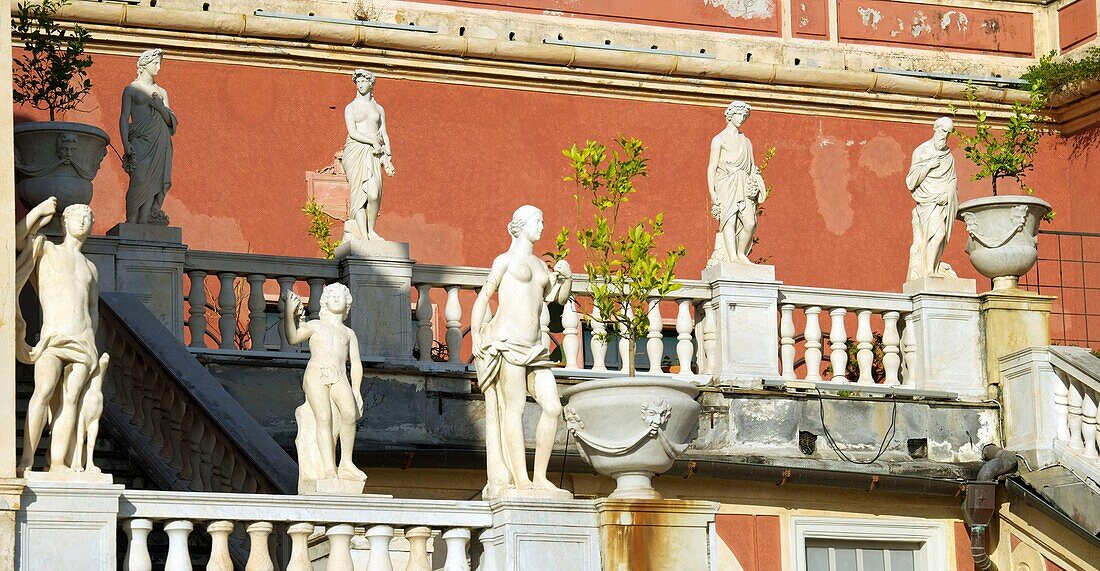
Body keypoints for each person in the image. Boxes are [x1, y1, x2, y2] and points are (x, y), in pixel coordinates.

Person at [471, 205, 572, 499]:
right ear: (522, 225)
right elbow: (484, 296)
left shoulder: (542, 266)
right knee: (512, 409)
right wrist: (477, 333)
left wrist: (567, 280)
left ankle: (540, 476)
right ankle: (522, 479)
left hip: (534, 348)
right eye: (538, 222)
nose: (542, 227)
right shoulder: (504, 261)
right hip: (507, 342)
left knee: (553, 407)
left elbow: (555, 302)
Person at [16, 197, 110, 475]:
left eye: (87, 216)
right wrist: (36, 213)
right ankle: (26, 460)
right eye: (76, 216)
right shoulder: (46, 250)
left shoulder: (91, 268)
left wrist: (93, 344)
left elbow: (92, 311)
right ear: (64, 221)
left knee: (70, 401)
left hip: (83, 342)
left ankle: (57, 461)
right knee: (42, 393)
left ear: (92, 224)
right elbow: (15, 240)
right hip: (53, 338)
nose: (82, 220)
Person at [283, 284, 366, 482]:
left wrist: (356, 391)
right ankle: (329, 468)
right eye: (332, 295)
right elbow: (293, 337)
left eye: (341, 296)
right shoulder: (315, 325)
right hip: (316, 375)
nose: (336, 298)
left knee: (349, 413)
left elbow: (355, 364)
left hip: (339, 375)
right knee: (324, 419)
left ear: (348, 303)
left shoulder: (349, 333)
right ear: (325, 301)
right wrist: (289, 312)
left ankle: (346, 462)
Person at [120, 48, 178, 225]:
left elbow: (172, 122)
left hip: (160, 141)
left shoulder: (162, 92)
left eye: (159, 63)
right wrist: (125, 144)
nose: (158, 67)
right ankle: (131, 222)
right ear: (144, 65)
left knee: (154, 182)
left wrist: (160, 107)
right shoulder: (131, 89)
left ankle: (144, 220)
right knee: (139, 179)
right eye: (155, 63)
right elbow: (124, 118)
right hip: (140, 141)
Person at [707, 100, 767, 265]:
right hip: (726, 182)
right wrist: (712, 192)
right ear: (730, 115)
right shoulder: (719, 139)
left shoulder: (746, 141)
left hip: (743, 182)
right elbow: (712, 166)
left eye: (744, 115)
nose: (741, 118)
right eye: (738, 114)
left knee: (750, 222)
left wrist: (755, 182)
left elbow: (752, 168)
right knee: (729, 219)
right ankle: (732, 257)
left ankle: (741, 254)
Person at [341, 69, 395, 242]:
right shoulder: (351, 107)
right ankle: (363, 236)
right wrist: (373, 142)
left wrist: (388, 156)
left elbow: (384, 133)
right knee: (358, 194)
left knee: (373, 194)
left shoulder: (379, 109)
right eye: (358, 82)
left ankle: (371, 230)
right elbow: (352, 132)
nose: (360, 84)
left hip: (374, 153)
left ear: (371, 84)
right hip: (356, 151)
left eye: (364, 81)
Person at [906, 117, 959, 281]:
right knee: (938, 234)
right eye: (943, 131)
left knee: (940, 235)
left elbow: (953, 180)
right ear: (935, 129)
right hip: (927, 202)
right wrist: (929, 165)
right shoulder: (921, 151)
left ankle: (932, 267)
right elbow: (911, 181)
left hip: (942, 202)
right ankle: (929, 270)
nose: (945, 136)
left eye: (948, 133)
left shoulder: (948, 156)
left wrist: (947, 194)